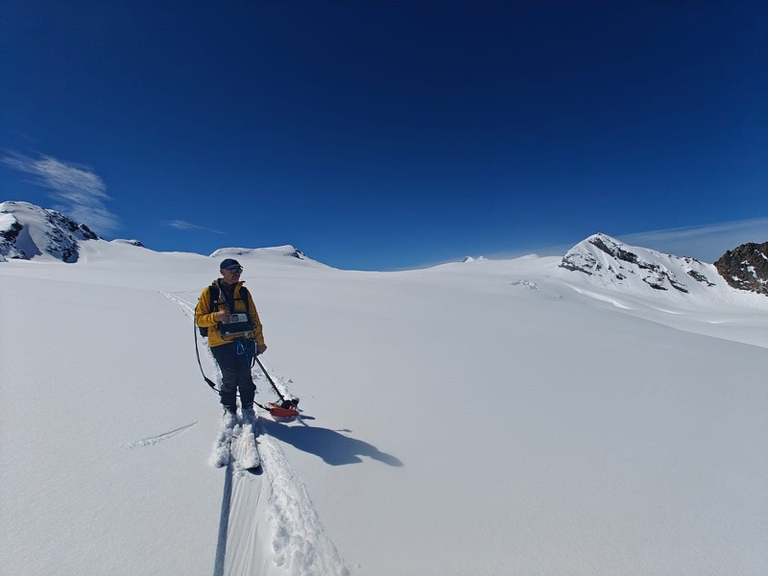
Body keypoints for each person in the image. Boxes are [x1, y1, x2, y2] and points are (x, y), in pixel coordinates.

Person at [195, 258, 267, 415]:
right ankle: (230, 409)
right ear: (222, 272)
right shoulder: (210, 293)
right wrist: (216, 316)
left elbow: (254, 318)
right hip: (220, 343)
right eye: (233, 270)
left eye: (239, 270)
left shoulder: (243, 292)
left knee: (245, 377)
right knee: (230, 377)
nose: (237, 273)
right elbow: (199, 319)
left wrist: (260, 342)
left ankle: (248, 408)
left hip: (245, 341)